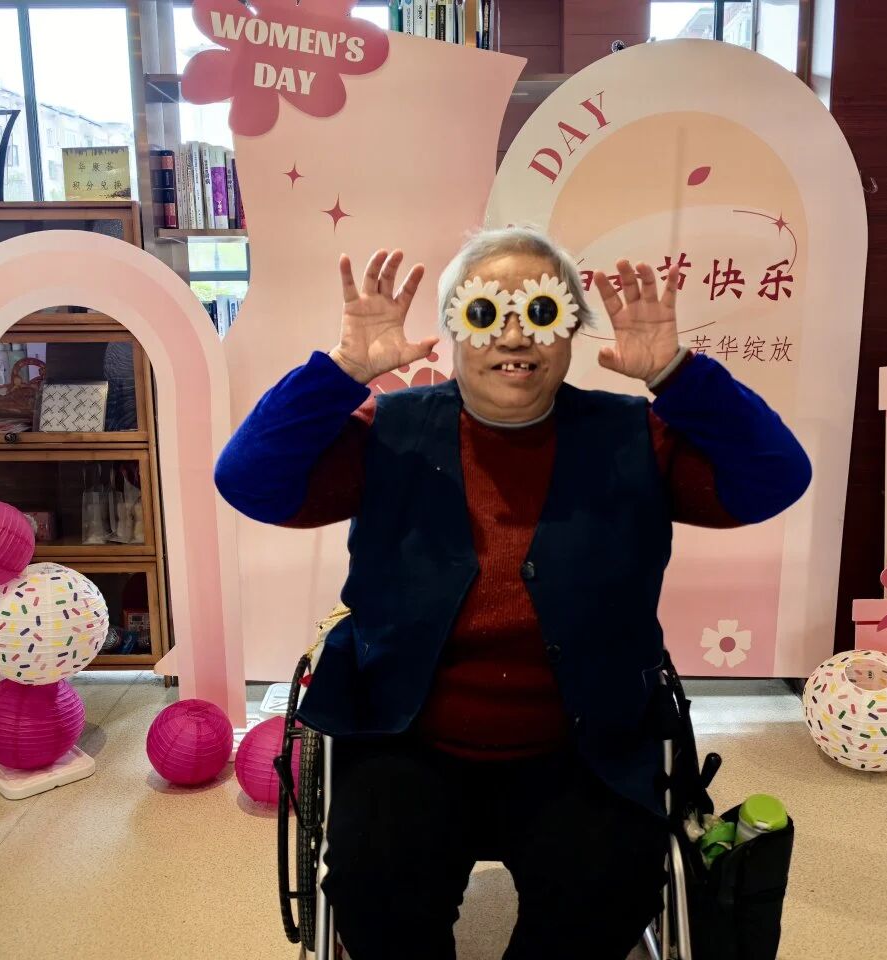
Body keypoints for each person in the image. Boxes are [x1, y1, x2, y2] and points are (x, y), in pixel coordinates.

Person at [215, 227, 811, 960]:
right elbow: (247, 480)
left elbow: (777, 478)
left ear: (570, 329)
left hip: (582, 747)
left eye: (539, 311)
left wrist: (680, 376)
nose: (514, 335)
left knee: (609, 890)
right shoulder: (389, 432)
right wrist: (340, 372)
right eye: (485, 312)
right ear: (454, 327)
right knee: (376, 890)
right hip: (410, 739)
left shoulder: (634, 437)